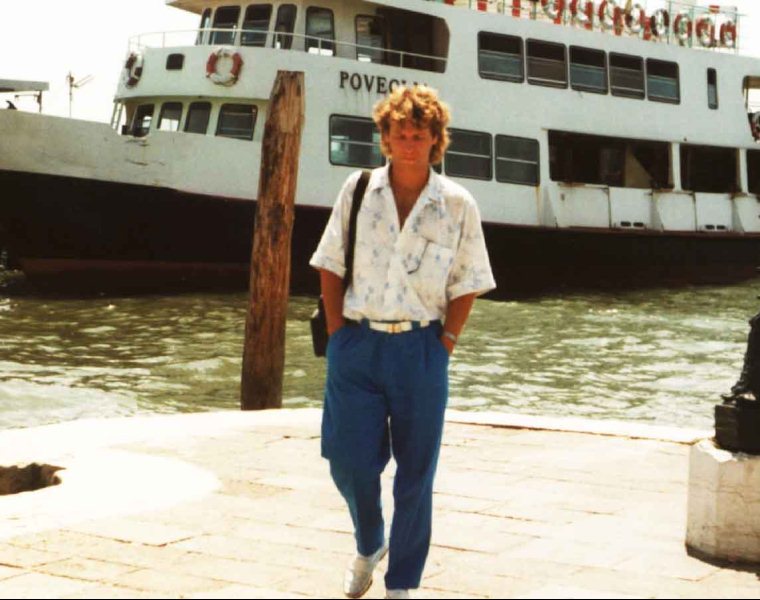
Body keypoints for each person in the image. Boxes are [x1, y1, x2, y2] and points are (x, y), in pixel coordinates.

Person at [309, 85, 495, 599]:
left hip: (421, 350)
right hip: (357, 345)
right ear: (385, 139)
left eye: (419, 135)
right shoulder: (357, 190)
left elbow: (468, 281)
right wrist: (337, 333)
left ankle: (402, 584)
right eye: (400, 134)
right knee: (347, 460)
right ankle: (370, 541)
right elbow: (330, 263)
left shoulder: (457, 204)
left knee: (416, 474)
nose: (409, 143)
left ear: (436, 140)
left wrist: (446, 343)